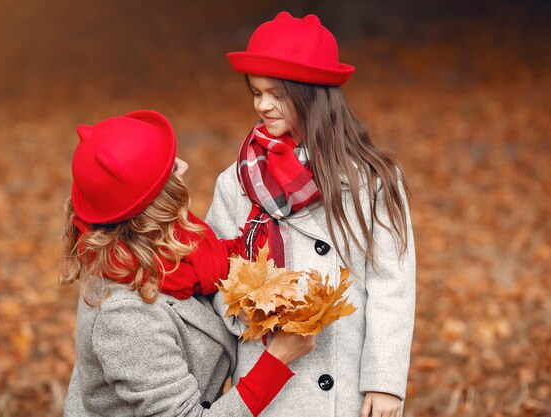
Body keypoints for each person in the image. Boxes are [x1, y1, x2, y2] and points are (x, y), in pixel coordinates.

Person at [206, 12, 416, 417]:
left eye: (275, 93)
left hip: (346, 383)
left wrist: (385, 381)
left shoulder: (373, 180)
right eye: (255, 92)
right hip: (267, 376)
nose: (262, 105)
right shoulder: (235, 182)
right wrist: (255, 311)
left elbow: (393, 284)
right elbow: (218, 275)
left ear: (312, 93)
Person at [61, 110, 316, 417]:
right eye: (171, 169)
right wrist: (276, 361)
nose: (185, 167)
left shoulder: (163, 255)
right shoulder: (126, 315)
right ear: (159, 204)